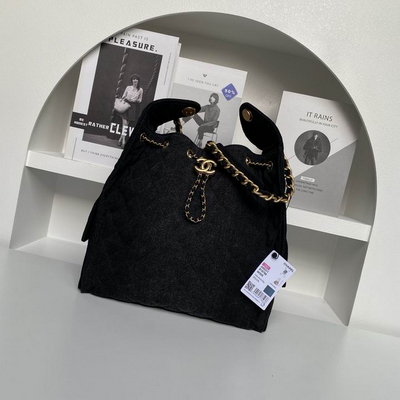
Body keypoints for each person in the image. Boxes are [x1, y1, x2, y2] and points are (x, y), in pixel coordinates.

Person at [117, 74, 143, 148]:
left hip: (133, 107)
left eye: (136, 79)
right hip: (126, 106)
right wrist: (127, 98)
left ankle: (120, 139)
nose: (135, 80)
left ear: (138, 81)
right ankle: (123, 141)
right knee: (125, 123)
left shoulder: (140, 90)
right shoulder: (128, 87)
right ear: (132, 81)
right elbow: (123, 96)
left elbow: (140, 100)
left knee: (126, 125)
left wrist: (135, 100)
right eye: (133, 79)